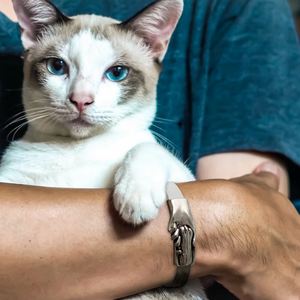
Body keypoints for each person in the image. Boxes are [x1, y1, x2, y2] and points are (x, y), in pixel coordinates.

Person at [0, 0, 299, 299]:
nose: (81, 96)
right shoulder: (22, 161)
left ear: (155, 47)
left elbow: (240, 265)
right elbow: (227, 235)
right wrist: (218, 222)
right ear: (31, 36)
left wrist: (147, 158)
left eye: (116, 72)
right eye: (57, 66)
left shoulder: (148, 157)